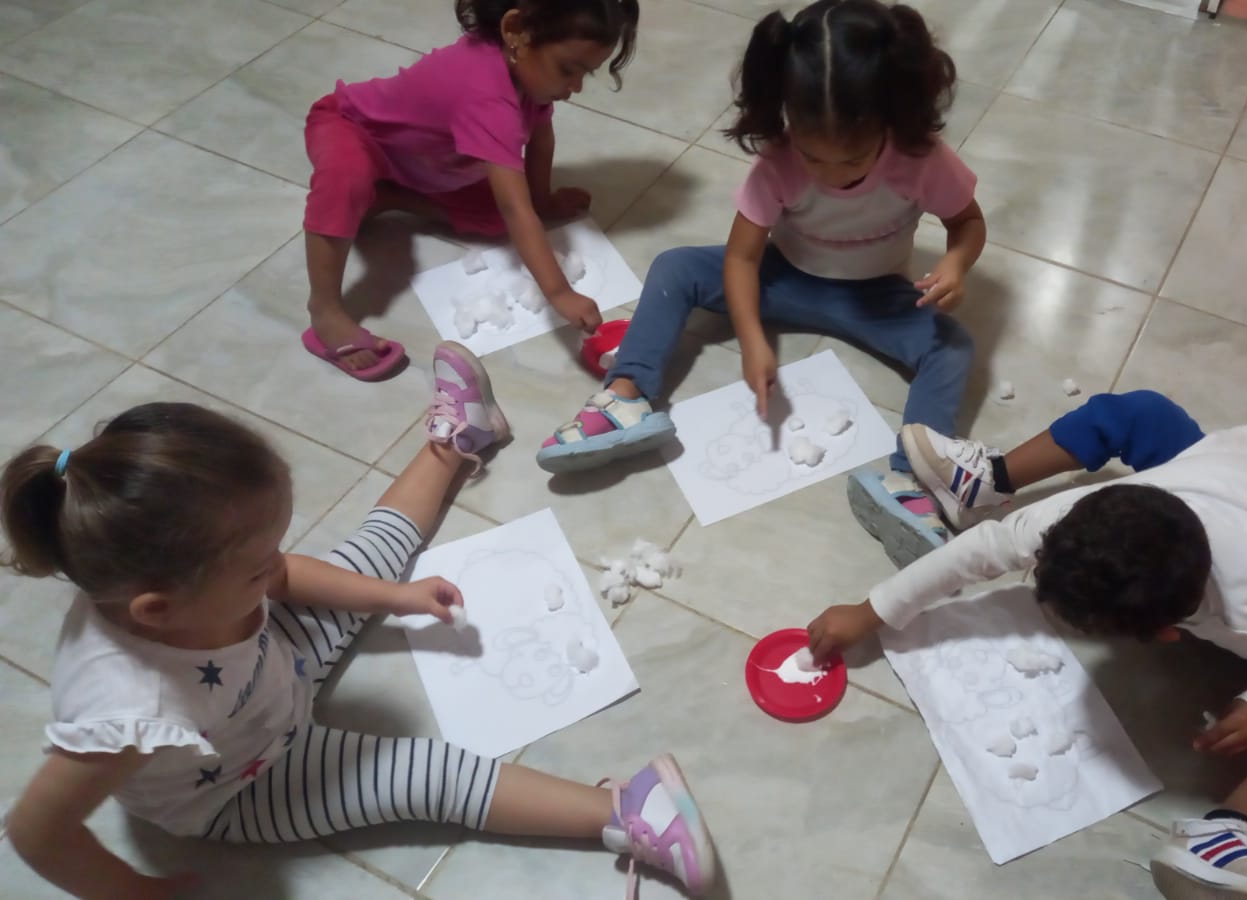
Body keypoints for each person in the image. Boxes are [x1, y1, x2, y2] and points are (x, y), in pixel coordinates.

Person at [0, 344, 715, 900]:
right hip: (243, 778)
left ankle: (458, 439)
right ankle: (625, 813)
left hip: (264, 664)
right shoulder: (124, 711)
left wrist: (391, 597)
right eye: (255, 567)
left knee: (366, 556)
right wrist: (131, 892)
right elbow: (36, 833)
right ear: (158, 609)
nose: (275, 567)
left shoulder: (192, 585)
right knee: (425, 775)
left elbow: (282, 576)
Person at [806, 391, 1247, 900]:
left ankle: (1224, 832)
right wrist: (872, 610)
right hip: (1222, 480)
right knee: (1142, 414)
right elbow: (986, 548)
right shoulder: (1082, 519)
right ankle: (988, 477)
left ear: (1166, 635)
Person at [536, 0, 985, 564]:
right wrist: (752, 338)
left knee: (952, 347)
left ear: (889, 119)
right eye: (813, 157)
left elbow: (967, 223)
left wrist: (956, 263)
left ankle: (911, 481)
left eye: (851, 162)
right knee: (676, 267)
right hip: (784, 276)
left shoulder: (922, 158)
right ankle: (626, 396)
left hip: (876, 296)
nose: (829, 175)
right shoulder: (778, 160)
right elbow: (742, 259)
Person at [301, 0, 639, 380]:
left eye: (584, 74)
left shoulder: (526, 74)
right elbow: (516, 210)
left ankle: (386, 197)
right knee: (345, 177)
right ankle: (325, 311)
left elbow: (541, 139)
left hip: (424, 167)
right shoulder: (484, 93)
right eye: (567, 69)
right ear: (516, 31)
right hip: (354, 131)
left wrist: (542, 201)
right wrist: (559, 293)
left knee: (501, 216)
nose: (575, 87)